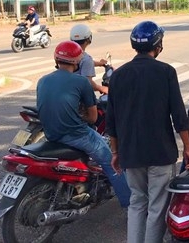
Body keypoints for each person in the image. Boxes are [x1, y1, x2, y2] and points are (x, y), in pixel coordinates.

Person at [105, 21, 189, 243]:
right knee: (157, 205)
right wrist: (188, 148)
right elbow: (178, 116)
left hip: (130, 153)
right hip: (160, 152)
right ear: (158, 45)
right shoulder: (166, 72)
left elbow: (111, 120)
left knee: (137, 202)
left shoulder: (118, 75)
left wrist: (115, 152)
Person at [36, 41, 131, 208]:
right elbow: (93, 118)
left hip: (51, 134)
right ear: (77, 62)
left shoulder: (43, 80)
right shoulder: (81, 82)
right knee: (112, 163)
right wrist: (82, 116)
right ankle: (131, 205)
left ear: (56, 59)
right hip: (76, 135)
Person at [70, 24, 108, 95]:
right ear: (89, 39)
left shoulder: (67, 54)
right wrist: (102, 88)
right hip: (78, 95)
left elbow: (84, 63)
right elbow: (87, 83)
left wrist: (100, 63)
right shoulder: (86, 59)